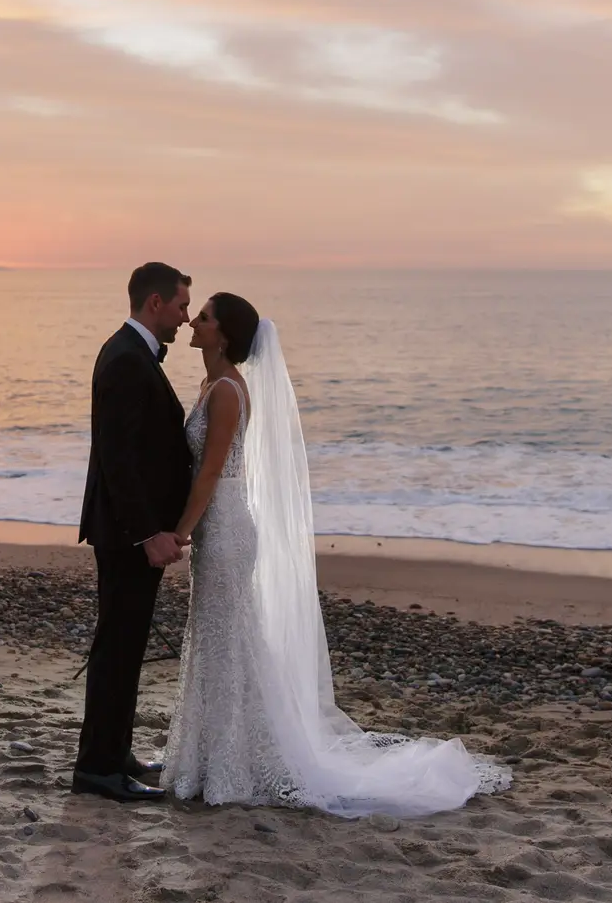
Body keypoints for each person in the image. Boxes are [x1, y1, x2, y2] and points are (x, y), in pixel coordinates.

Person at [160, 292, 513, 817]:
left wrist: (181, 532)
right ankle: (215, 755)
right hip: (218, 527)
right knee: (220, 640)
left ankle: (238, 761)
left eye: (205, 317)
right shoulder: (211, 383)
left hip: (228, 526)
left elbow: (211, 473)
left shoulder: (229, 390)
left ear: (225, 334)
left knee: (229, 640)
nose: (195, 321)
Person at [71, 261, 196, 802]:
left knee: (125, 646)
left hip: (128, 532)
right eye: (181, 306)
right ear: (154, 303)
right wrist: (148, 533)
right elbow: (118, 460)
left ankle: (114, 753)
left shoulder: (130, 352)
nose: (185, 318)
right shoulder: (125, 358)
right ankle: (97, 769)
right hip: (126, 535)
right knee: (118, 650)